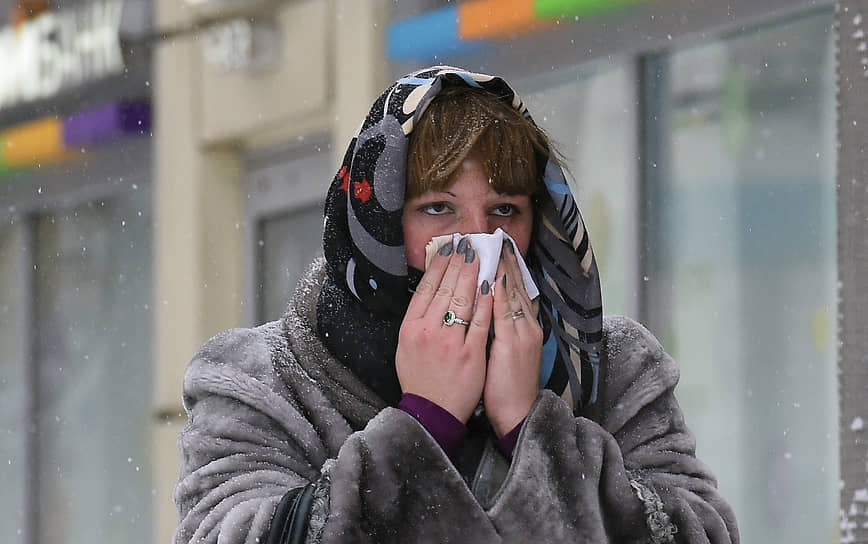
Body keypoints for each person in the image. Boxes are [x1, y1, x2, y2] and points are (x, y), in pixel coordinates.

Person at [173, 66, 739, 544]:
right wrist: (421, 427)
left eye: (505, 210)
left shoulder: (613, 368)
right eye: (439, 208)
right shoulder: (262, 380)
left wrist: (534, 436)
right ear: (380, 223)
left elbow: (700, 531)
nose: (479, 240)